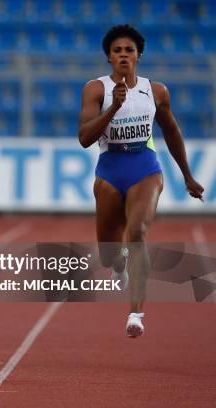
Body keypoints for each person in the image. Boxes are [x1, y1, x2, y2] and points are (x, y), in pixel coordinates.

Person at [78, 24, 203, 337]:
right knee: (108, 253)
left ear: (138, 56)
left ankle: (136, 313)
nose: (123, 55)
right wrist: (115, 107)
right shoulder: (96, 89)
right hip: (110, 169)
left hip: (144, 167)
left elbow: (171, 131)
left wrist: (187, 176)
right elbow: (84, 138)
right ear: (109, 57)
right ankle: (117, 260)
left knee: (138, 232)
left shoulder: (156, 90)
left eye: (129, 50)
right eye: (117, 51)